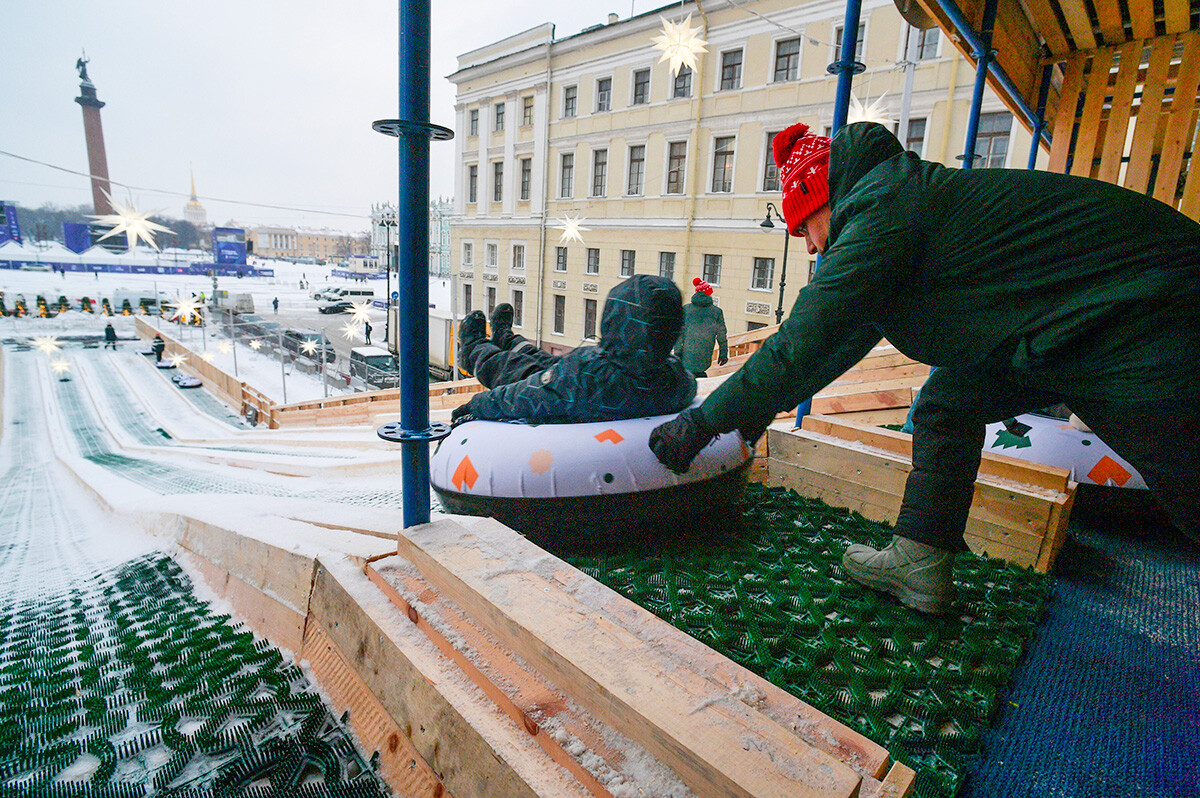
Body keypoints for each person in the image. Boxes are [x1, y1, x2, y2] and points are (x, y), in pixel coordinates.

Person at [649, 120, 1200, 614]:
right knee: (945, 405)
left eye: (804, 231)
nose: (812, 249)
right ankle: (920, 564)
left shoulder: (882, 211)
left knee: (1187, 475)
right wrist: (756, 409)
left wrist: (700, 423)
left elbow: (807, 340)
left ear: (819, 200)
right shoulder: (894, 203)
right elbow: (841, 340)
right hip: (1059, 324)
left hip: (1152, 310)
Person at [453, 274, 695, 424]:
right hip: (585, 376)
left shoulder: (586, 379)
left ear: (614, 319)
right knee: (545, 362)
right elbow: (690, 383)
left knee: (512, 367)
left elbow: (523, 395)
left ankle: (473, 348)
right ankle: (506, 336)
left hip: (572, 387)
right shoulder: (676, 377)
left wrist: (476, 404)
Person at [674, 277, 728, 378]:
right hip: (705, 353)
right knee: (701, 376)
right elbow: (721, 335)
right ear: (709, 294)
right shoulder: (717, 312)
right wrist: (723, 353)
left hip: (687, 352)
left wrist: (677, 352)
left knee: (686, 377)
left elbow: (679, 332)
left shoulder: (686, 309)